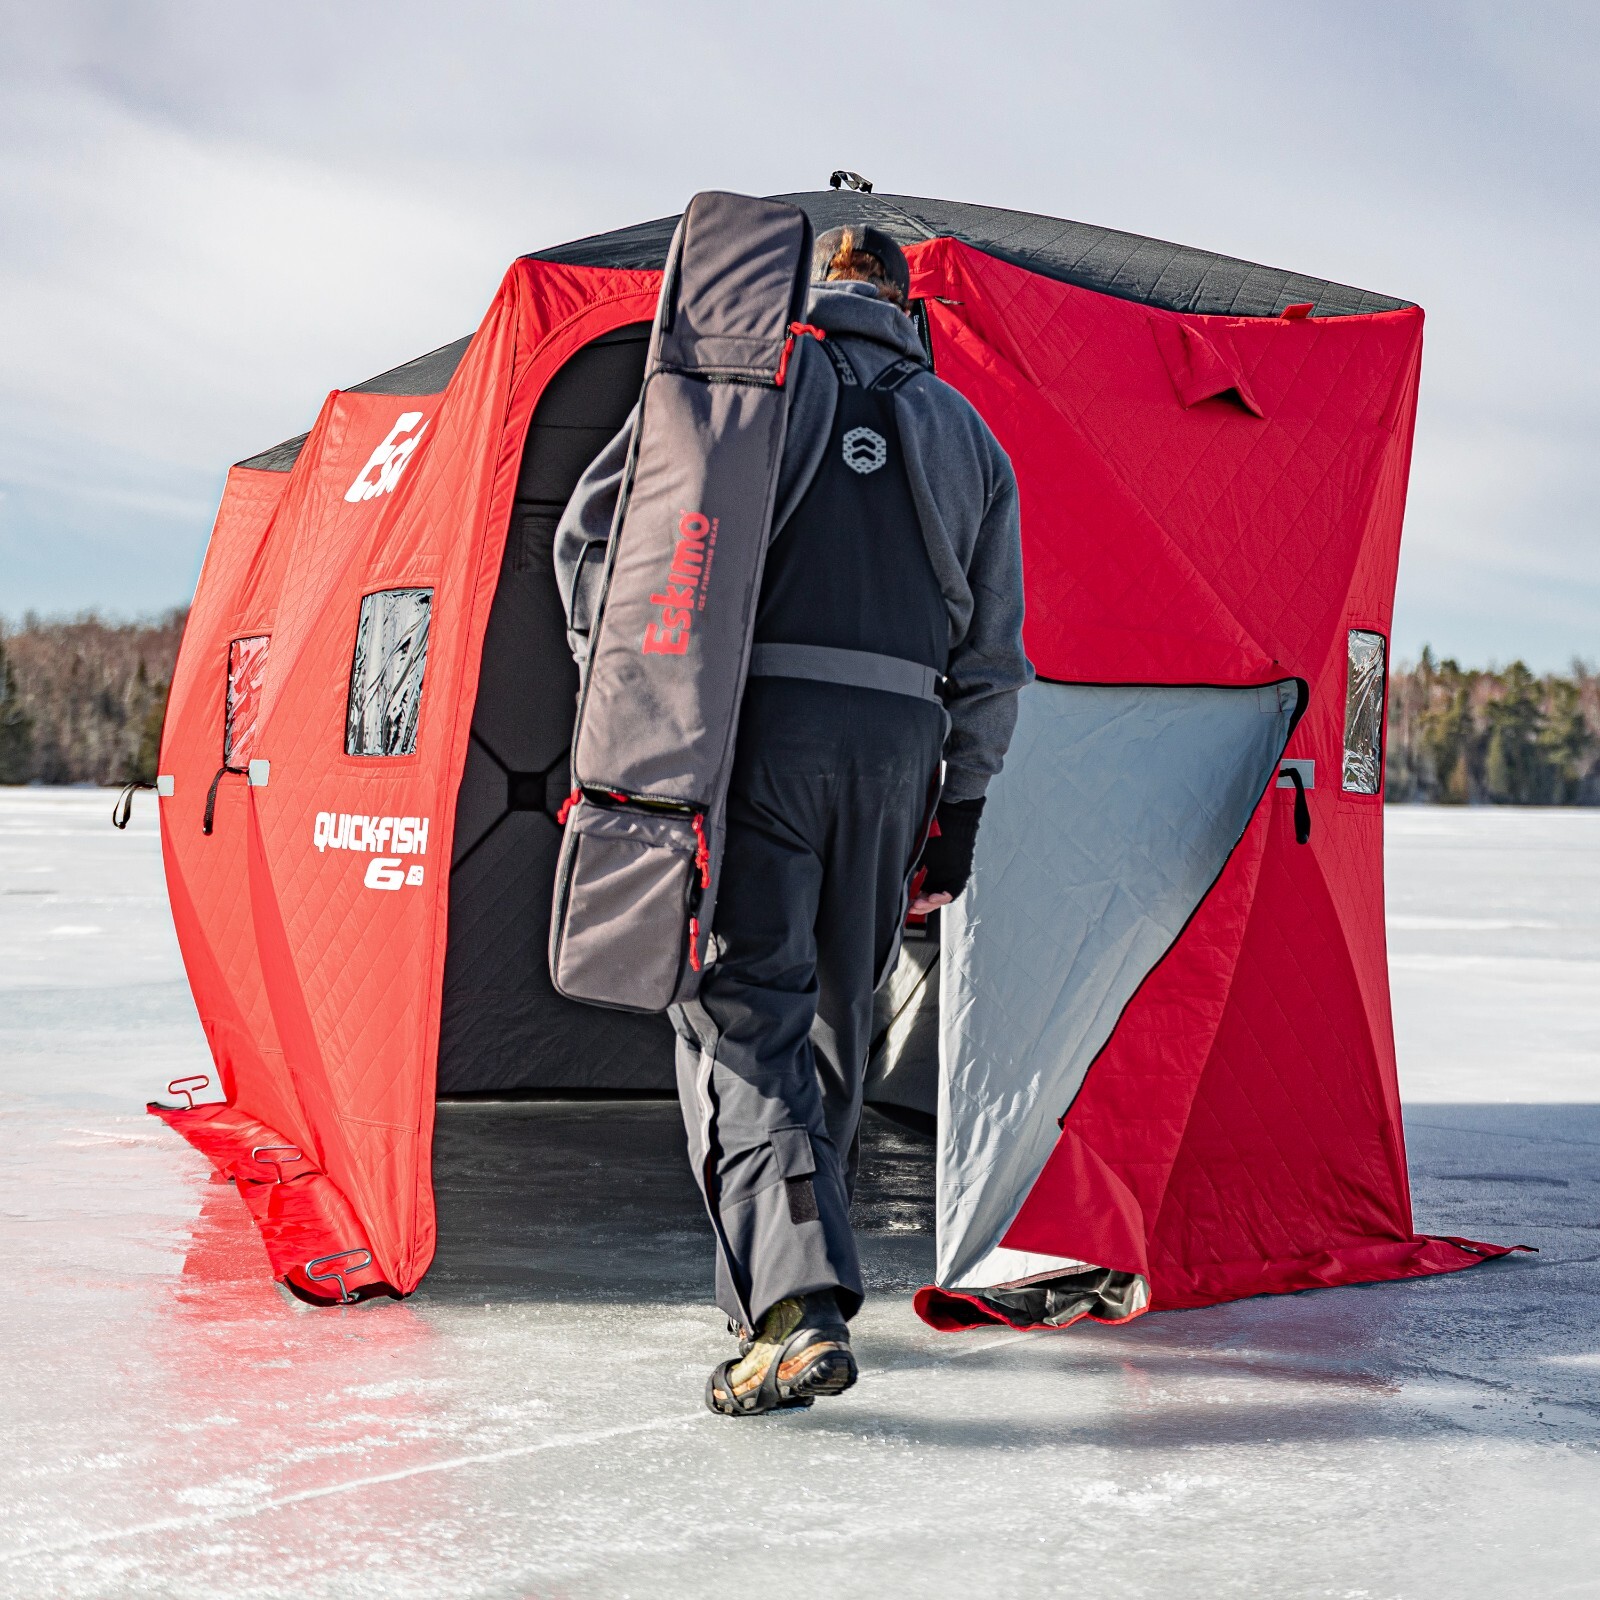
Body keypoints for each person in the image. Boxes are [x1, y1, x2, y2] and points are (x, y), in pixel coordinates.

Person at [554, 223, 1028, 1415]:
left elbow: (594, 538)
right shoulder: (970, 437)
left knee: (737, 1015)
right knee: (831, 1020)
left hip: (753, 729)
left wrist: (634, 687)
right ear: (909, 306)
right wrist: (957, 805)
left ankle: (793, 1308)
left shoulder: (743, 386)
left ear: (813, 293)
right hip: (900, 753)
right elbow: (994, 657)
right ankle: (784, 1285)